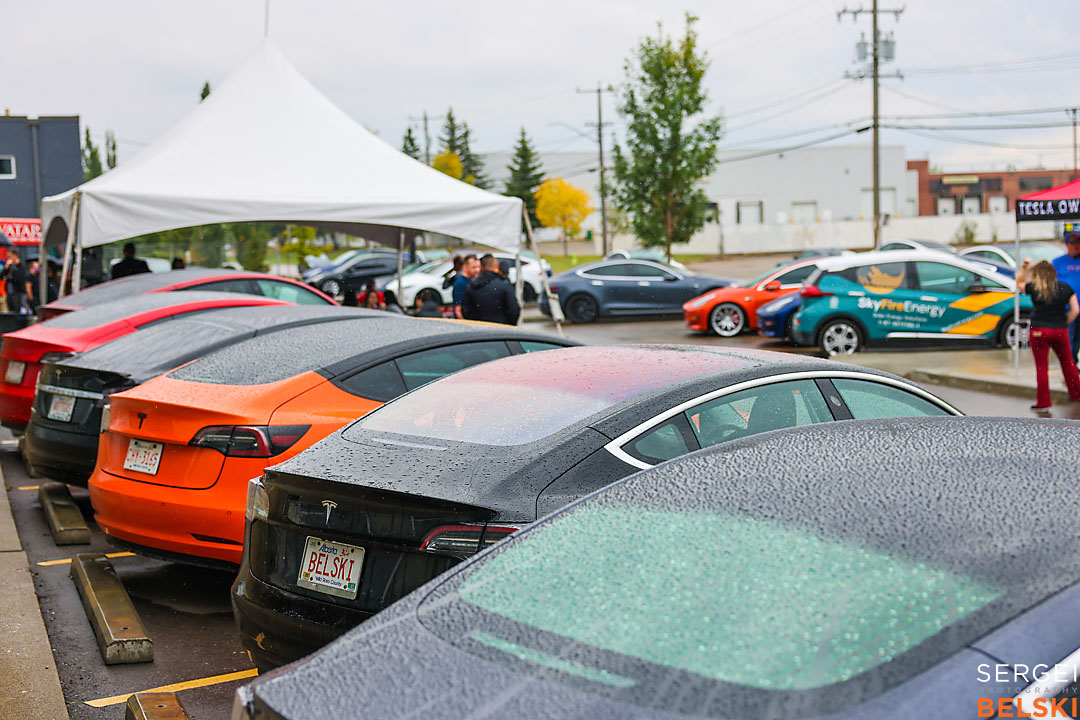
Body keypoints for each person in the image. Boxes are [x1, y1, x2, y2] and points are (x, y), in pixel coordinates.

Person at [1017, 258, 1080, 411]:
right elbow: (1076, 310)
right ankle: (1077, 394)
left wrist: (1024, 268)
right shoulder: (1065, 288)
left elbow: (1019, 282)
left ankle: (1043, 403)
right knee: (1068, 363)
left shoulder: (1034, 288)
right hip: (1060, 330)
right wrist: (1065, 321)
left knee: (1041, 367)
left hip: (1038, 330)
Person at [462, 254, 520, 325]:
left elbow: (466, 311)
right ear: (497, 265)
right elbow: (514, 310)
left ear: (481, 267)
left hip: (480, 329)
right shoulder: (504, 284)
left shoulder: (472, 286)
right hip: (503, 328)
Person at [1052, 232, 1080, 362]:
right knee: (1070, 339)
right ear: (1067, 244)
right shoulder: (1058, 262)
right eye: (1073, 242)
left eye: (1078, 242)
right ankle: (1071, 367)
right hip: (1068, 309)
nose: (1077, 246)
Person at [452, 254, 479, 319]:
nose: (477, 270)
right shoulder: (461, 283)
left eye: (479, 267)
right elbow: (458, 309)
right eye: (473, 267)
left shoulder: (472, 281)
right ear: (465, 267)